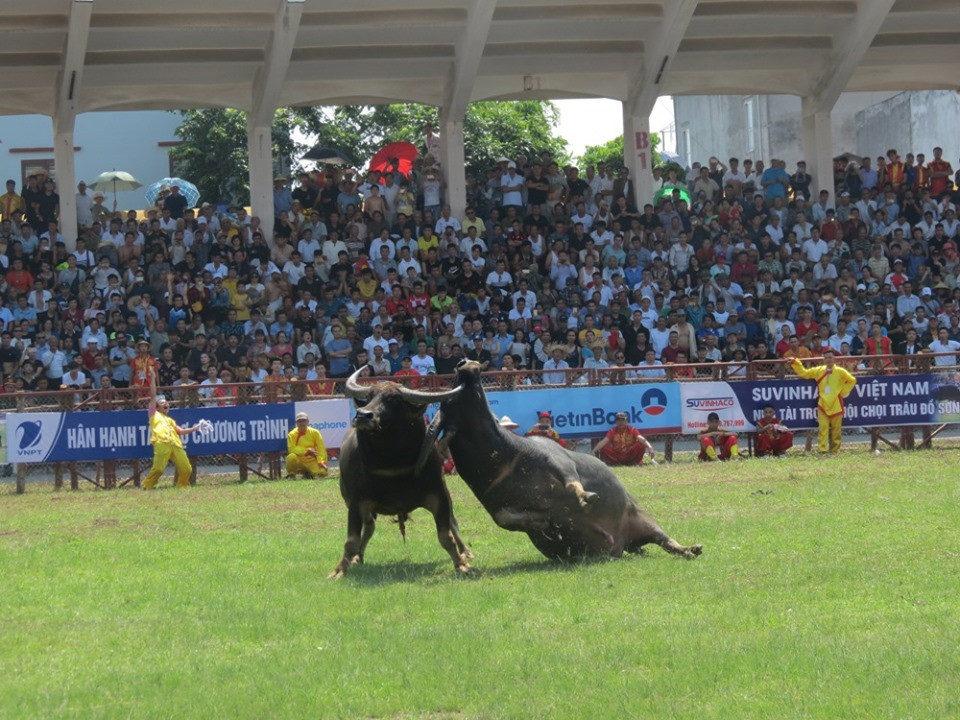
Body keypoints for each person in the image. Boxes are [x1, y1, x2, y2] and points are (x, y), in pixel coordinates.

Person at [143, 365, 202, 489]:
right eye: (162, 403)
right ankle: (147, 486)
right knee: (158, 469)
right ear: (157, 407)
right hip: (161, 442)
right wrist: (153, 378)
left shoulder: (170, 420)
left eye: (166, 402)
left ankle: (182, 486)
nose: (165, 403)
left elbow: (181, 431)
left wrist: (197, 427)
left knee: (187, 469)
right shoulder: (153, 414)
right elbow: (153, 395)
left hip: (175, 444)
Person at [790, 348, 857, 453]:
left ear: (834, 359)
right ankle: (823, 450)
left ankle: (835, 450)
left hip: (836, 404)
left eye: (830, 357)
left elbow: (852, 380)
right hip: (823, 404)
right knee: (823, 429)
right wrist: (795, 362)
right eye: (826, 358)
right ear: (823, 359)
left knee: (836, 430)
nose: (828, 359)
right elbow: (804, 373)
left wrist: (842, 392)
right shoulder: (818, 370)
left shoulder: (840, 371)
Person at [285, 411, 328, 478]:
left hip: (312, 461)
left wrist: (321, 462)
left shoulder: (315, 432)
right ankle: (292, 474)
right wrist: (306, 451)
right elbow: (291, 449)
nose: (302, 423)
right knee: (291, 457)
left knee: (323, 472)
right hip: (299, 460)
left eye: (304, 421)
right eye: (299, 421)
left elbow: (321, 448)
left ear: (308, 421)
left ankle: (308, 474)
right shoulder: (291, 434)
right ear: (296, 423)